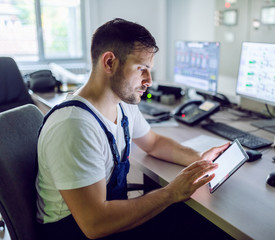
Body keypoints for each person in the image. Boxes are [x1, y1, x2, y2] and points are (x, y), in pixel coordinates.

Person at [35, 18, 231, 240]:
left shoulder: (122, 104)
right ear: (109, 62)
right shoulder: (74, 126)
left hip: (106, 218)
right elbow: (94, 224)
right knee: (205, 228)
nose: (149, 80)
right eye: (142, 69)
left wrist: (199, 160)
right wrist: (170, 192)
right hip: (76, 231)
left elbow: (154, 143)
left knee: (200, 222)